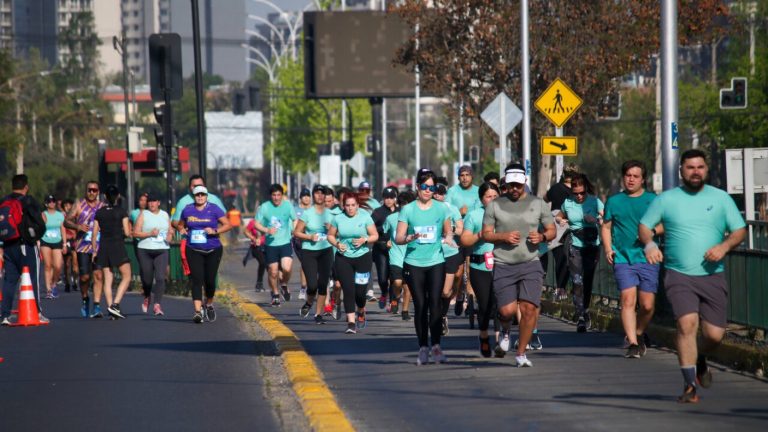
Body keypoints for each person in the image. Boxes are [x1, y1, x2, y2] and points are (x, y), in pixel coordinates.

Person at [639, 149, 746, 403]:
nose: (695, 171)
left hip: (712, 275)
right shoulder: (667, 199)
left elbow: (739, 230)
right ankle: (689, 386)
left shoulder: (720, 198)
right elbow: (645, 227)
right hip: (679, 275)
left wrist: (724, 246)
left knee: (714, 336)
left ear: (706, 170)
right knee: (686, 325)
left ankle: (699, 358)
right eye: (690, 167)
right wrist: (650, 245)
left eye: (700, 167)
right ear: (681, 171)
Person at [481, 164, 555, 367]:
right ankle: (505, 330)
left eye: (518, 185)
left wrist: (541, 236)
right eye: (511, 184)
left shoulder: (538, 203)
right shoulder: (494, 205)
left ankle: (521, 353)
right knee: (507, 311)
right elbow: (486, 234)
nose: (515, 188)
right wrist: (502, 236)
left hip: (530, 262)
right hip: (504, 263)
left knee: (529, 309)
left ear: (524, 183)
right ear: (505, 183)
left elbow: (552, 230)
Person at [601, 160, 662, 358]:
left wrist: (651, 232)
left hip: (648, 257)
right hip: (623, 258)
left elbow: (665, 224)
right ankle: (633, 344)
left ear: (643, 179)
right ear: (623, 177)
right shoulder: (614, 201)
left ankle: (638, 332)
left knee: (647, 305)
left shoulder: (653, 200)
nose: (631, 179)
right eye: (628, 175)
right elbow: (606, 227)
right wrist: (608, 249)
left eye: (636, 176)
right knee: (628, 300)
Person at [395, 169, 453, 365]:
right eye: (425, 187)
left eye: (432, 187)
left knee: (435, 303)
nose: (428, 191)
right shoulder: (408, 209)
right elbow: (398, 237)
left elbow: (448, 231)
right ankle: (423, 347)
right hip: (414, 263)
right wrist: (409, 238)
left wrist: (449, 238)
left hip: (436, 261)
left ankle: (436, 346)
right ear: (417, 187)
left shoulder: (442, 208)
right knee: (421, 305)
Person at [555, 173, 604, 332]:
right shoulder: (567, 203)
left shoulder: (595, 202)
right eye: (576, 193)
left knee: (588, 280)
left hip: (592, 245)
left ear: (586, 190)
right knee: (577, 281)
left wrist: (596, 220)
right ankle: (580, 315)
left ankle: (586, 309)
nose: (579, 196)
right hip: (575, 245)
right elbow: (558, 216)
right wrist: (561, 220)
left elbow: (607, 220)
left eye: (582, 193)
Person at [178, 185, 232, 323]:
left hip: (213, 249)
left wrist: (214, 231)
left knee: (210, 281)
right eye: (197, 195)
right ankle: (197, 312)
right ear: (194, 196)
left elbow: (228, 224)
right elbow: (180, 224)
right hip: (193, 249)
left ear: (206, 196)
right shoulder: (187, 209)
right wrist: (182, 230)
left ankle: (208, 304)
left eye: (202, 194)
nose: (200, 197)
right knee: (197, 280)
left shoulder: (214, 208)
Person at [327, 192, 378, 334]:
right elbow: (330, 235)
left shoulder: (365, 216)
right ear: (343, 206)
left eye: (353, 205)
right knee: (348, 290)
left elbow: (375, 235)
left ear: (357, 205)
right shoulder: (338, 218)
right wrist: (337, 244)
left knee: (360, 293)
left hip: (363, 257)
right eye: (347, 205)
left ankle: (361, 310)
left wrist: (365, 240)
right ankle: (351, 323)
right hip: (343, 258)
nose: (350, 208)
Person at [0, 174, 48, 325]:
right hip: (25, 245)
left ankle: (5, 315)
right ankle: (37, 312)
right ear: (26, 187)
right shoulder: (28, 200)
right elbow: (40, 222)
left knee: (9, 281)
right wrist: (35, 237)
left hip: (8, 244)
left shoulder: (4, 201)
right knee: (32, 278)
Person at [460, 182, 500, 357]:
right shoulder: (474, 216)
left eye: (495, 196)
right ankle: (484, 336)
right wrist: (480, 235)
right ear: (482, 199)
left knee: (500, 303)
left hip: (502, 264)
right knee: (485, 304)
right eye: (488, 196)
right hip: (479, 265)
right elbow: (465, 240)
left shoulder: (505, 215)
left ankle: (499, 339)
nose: (492, 200)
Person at [293, 185, 334, 324]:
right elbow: (297, 232)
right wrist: (310, 237)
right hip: (309, 251)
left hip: (326, 250)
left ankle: (318, 315)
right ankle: (309, 303)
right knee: (312, 285)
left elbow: (339, 234)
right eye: (317, 193)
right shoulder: (307, 213)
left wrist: (331, 230)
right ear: (313, 196)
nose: (320, 196)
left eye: (322, 193)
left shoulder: (331, 214)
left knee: (323, 284)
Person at [65, 180, 105, 318]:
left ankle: (97, 305)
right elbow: (66, 221)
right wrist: (78, 227)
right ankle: (85, 299)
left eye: (94, 190)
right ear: (86, 191)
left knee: (98, 275)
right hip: (82, 247)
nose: (92, 192)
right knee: (84, 277)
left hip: (98, 247)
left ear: (98, 192)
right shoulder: (79, 205)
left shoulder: (102, 207)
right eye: (89, 190)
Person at [91, 185, 132, 319]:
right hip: (117, 246)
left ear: (105, 197)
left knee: (108, 280)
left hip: (103, 246)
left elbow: (94, 233)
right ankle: (115, 304)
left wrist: (94, 251)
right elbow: (127, 232)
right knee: (126, 276)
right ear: (118, 196)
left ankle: (111, 309)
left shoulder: (100, 212)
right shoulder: (121, 211)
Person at [253, 184, 297, 307]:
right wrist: (266, 230)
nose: (276, 198)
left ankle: (283, 284)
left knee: (286, 268)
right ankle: (275, 294)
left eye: (278, 195)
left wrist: (294, 229)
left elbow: (295, 219)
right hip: (271, 244)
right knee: (273, 272)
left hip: (285, 242)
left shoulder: (288, 205)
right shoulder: (264, 207)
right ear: (270, 196)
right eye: (274, 195)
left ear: (282, 195)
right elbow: (256, 224)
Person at [133, 193, 173, 316]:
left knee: (160, 278)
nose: (151, 203)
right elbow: (135, 233)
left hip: (162, 249)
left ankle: (157, 305)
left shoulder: (165, 214)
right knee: (147, 280)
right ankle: (147, 295)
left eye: (154, 201)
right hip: (145, 249)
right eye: (149, 201)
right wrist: (149, 234)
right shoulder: (143, 214)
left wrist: (169, 237)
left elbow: (170, 231)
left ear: (158, 202)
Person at [433, 180, 463, 336]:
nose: (438, 195)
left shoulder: (452, 209)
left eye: (441, 192)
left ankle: (443, 316)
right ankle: (434, 316)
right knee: (433, 290)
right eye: (435, 192)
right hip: (431, 253)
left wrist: (449, 229)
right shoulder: (426, 209)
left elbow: (460, 229)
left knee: (445, 292)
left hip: (450, 253)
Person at [543, 168, 576, 301]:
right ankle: (570, 290)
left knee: (559, 256)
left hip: (556, 223)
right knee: (572, 257)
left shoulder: (555, 188)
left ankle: (560, 289)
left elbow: (545, 198)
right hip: (571, 223)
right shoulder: (578, 190)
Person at [384, 190, 415, 320]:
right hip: (396, 256)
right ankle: (396, 297)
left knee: (407, 287)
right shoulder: (391, 218)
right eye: (402, 204)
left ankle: (405, 311)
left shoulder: (416, 219)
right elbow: (384, 232)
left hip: (411, 256)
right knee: (397, 283)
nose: (404, 206)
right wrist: (386, 241)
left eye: (407, 204)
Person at [371, 186, 398, 309]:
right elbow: (369, 228)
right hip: (380, 248)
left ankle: (393, 300)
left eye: (391, 197)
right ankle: (383, 293)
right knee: (382, 277)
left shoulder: (400, 211)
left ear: (395, 198)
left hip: (396, 249)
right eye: (386, 197)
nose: (389, 200)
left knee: (394, 276)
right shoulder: (377, 212)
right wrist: (382, 228)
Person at [40, 194, 67, 299]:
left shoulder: (60, 215)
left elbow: (63, 229)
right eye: (50, 201)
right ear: (46, 203)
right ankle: (48, 290)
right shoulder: (43, 214)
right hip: (45, 241)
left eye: (53, 201)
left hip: (57, 241)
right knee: (48, 265)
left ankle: (54, 283)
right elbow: (40, 228)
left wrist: (64, 244)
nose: (52, 203)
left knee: (58, 265)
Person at [294, 188, 312, 299]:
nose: (306, 198)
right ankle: (303, 288)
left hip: (313, 239)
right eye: (304, 196)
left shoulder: (314, 209)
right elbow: (294, 225)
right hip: (299, 240)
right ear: (300, 198)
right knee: (305, 263)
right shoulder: (296, 210)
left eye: (308, 196)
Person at [243, 217, 267, 292]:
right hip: (256, 247)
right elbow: (246, 231)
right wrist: (253, 238)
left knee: (270, 266)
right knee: (263, 263)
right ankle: (259, 283)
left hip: (269, 246)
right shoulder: (253, 222)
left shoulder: (270, 221)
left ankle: (276, 286)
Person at [61, 198, 78, 292]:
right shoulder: (62, 216)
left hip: (74, 240)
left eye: (70, 205)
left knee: (75, 262)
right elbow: (62, 228)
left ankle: (75, 281)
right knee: (67, 263)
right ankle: (67, 282)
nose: (68, 207)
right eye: (66, 206)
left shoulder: (75, 216)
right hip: (66, 240)